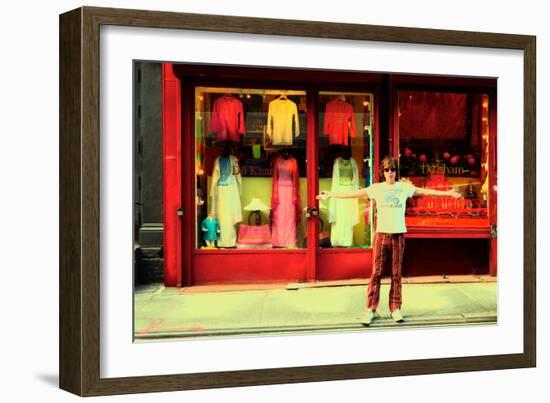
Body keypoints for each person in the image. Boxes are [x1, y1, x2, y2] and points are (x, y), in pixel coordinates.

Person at [317, 156, 462, 325]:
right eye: (387, 169)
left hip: (398, 234)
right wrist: (330, 194)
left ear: (396, 171)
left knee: (396, 274)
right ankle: (370, 309)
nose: (390, 173)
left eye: (393, 169)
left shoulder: (403, 188)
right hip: (381, 235)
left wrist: (449, 194)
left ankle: (395, 308)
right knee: (376, 274)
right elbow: (354, 194)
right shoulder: (377, 188)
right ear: (382, 172)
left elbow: (425, 192)